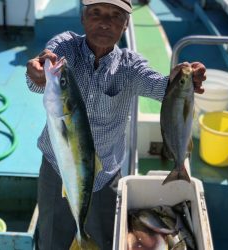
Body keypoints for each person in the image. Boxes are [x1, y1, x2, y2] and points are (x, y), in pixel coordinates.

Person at [26, 0, 206, 249]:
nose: (104, 22)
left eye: (115, 15)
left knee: (105, 239)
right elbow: (41, 73)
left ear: (125, 24)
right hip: (58, 166)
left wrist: (181, 81)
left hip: (105, 172)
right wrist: (37, 72)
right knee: (51, 239)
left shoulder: (130, 66)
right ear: (83, 18)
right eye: (96, 12)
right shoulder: (64, 47)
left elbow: (159, 86)